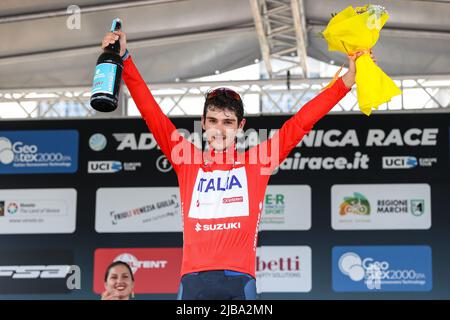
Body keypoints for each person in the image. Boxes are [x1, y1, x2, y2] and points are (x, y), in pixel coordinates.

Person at [101, 30, 374, 300]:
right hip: (192, 282)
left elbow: (301, 122)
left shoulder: (257, 162)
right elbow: (151, 112)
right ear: (204, 123)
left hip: (239, 282)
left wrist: (347, 80)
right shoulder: (187, 160)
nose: (220, 129)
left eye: (228, 122)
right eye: (214, 121)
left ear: (240, 126)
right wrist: (124, 58)